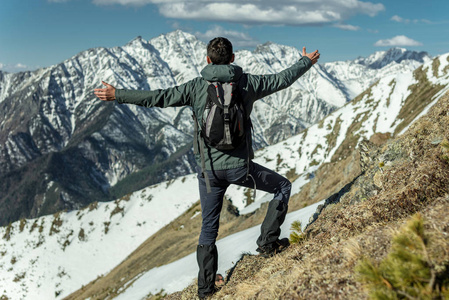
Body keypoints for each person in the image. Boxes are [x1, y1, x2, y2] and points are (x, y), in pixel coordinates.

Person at [94, 37, 319, 299]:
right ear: (233, 59)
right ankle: (268, 243)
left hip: (209, 172)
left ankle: (206, 288)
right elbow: (282, 79)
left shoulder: (196, 87)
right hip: (240, 168)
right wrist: (305, 62)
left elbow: (158, 97)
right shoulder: (248, 83)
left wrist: (117, 94)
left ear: (207, 60)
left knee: (209, 227)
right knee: (282, 186)